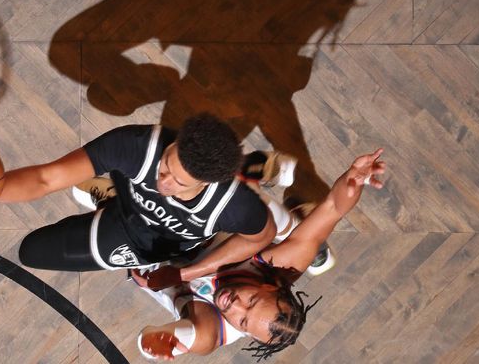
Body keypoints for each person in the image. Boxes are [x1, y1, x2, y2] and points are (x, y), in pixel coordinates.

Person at [132, 148, 386, 360]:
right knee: (259, 216)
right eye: (251, 301)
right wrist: (355, 179)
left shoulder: (212, 329)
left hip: (156, 254)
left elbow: (186, 337)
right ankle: (256, 180)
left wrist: (158, 342)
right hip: (212, 235)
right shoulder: (281, 268)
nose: (235, 306)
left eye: (242, 322)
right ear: (269, 285)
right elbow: (333, 207)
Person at [0, 113, 278, 278]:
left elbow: (263, 236)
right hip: (128, 208)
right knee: (33, 249)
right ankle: (113, 198)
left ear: (206, 183)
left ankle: (253, 168)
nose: (163, 180)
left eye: (178, 182)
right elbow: (45, 179)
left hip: (147, 243)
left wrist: (189, 273)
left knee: (31, 252)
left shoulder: (234, 206)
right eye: (166, 164)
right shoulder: (134, 145)